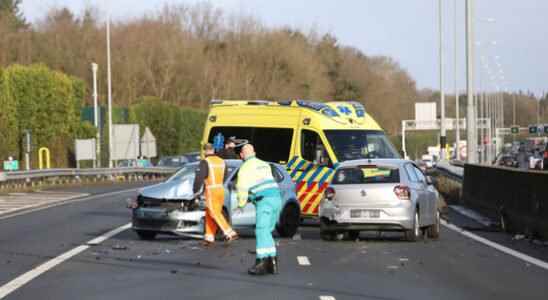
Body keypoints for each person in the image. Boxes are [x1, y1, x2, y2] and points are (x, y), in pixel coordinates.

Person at [234, 144, 282, 275]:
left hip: (264, 201)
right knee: (267, 231)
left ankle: (261, 263)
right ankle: (272, 262)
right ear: (254, 152)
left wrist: (241, 203)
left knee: (261, 231)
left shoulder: (245, 168)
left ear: (242, 155)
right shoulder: (264, 164)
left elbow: (242, 188)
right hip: (276, 198)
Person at [193, 143, 238, 246]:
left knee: (214, 213)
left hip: (211, 190)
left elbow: (199, 178)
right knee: (210, 213)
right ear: (213, 150)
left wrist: (196, 192)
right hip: (221, 189)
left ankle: (230, 232)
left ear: (204, 151)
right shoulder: (222, 161)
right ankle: (209, 237)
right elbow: (225, 176)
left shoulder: (205, 162)